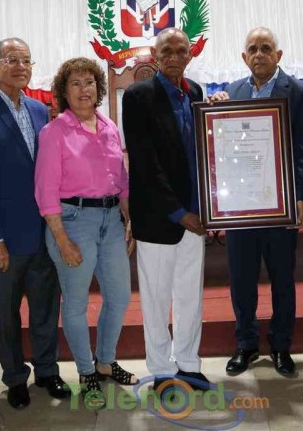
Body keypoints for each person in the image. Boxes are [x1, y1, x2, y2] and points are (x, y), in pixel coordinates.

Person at [0, 38, 69, 410]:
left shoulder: (39, 110)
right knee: (6, 314)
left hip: (43, 232)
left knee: (46, 308)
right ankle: (16, 378)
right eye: (11, 59)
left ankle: (47, 371)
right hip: (3, 238)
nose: (21, 66)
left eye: (26, 60)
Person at [209, 27, 303, 378]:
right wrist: (215, 110)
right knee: (241, 281)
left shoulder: (300, 92)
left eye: (266, 48)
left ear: (278, 55)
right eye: (252, 49)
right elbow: (221, 143)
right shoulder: (232, 92)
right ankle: (246, 345)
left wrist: (300, 197)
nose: (259, 54)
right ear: (244, 57)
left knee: (282, 280)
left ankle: (281, 346)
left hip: (280, 206)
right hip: (241, 209)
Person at [35, 57, 138, 409]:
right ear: (63, 92)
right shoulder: (55, 132)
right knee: (77, 302)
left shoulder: (109, 125)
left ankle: (105, 361)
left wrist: (128, 214)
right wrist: (61, 238)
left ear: (98, 87)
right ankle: (85, 370)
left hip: (111, 220)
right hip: (73, 221)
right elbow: (46, 190)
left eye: (89, 82)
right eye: (75, 83)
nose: (84, 89)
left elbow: (120, 177)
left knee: (119, 296)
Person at [122, 28, 210, 391]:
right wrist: (179, 213)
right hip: (160, 218)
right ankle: (160, 370)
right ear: (155, 56)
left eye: (180, 50)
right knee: (157, 300)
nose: (174, 57)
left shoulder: (196, 93)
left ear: (190, 54)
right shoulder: (138, 96)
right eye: (166, 51)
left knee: (190, 296)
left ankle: (188, 364)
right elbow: (145, 163)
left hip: (196, 215)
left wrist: (209, 209)